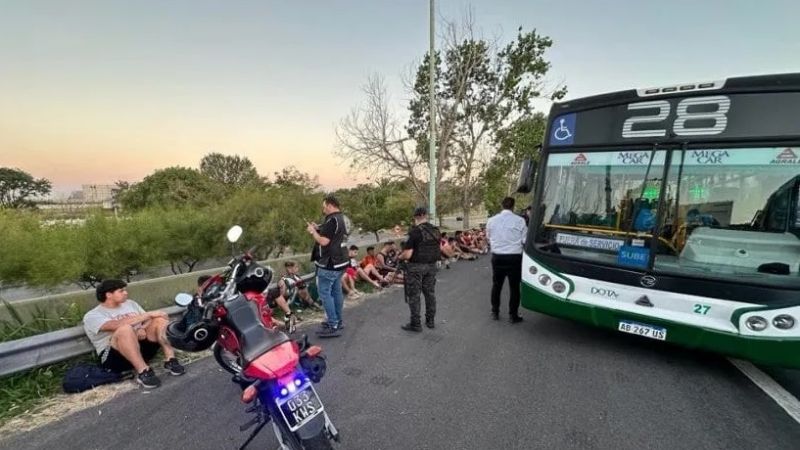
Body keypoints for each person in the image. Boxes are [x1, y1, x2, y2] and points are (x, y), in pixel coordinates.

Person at [83, 279, 185, 389]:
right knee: (124, 329)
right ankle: (143, 372)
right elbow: (114, 325)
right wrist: (146, 315)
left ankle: (170, 360)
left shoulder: (130, 304)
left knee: (159, 320)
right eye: (121, 291)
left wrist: (142, 327)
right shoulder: (92, 315)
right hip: (114, 358)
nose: (126, 293)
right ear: (108, 295)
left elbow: (148, 319)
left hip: (141, 348)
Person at [308, 194, 349, 338]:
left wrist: (313, 232)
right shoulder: (343, 218)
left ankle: (333, 324)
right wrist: (319, 228)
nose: (323, 210)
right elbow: (334, 235)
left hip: (330, 263)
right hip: (342, 261)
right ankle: (338, 320)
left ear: (331, 206)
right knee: (337, 291)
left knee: (325, 293)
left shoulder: (332, 220)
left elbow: (324, 242)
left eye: (324, 207)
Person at [397, 206, 441, 332]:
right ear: (426, 215)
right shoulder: (436, 230)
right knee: (430, 294)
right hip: (432, 266)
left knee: (414, 296)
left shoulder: (414, 232)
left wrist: (400, 257)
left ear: (415, 217)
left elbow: (407, 254)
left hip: (416, 267)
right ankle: (430, 321)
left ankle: (416, 324)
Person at [486, 197, 527, 323]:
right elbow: (524, 240)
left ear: (501, 205)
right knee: (514, 287)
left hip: (498, 257)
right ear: (513, 206)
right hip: (514, 258)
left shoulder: (491, 221)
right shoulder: (520, 221)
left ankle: (495, 312)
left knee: (497, 285)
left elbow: (488, 237)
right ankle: (513, 315)